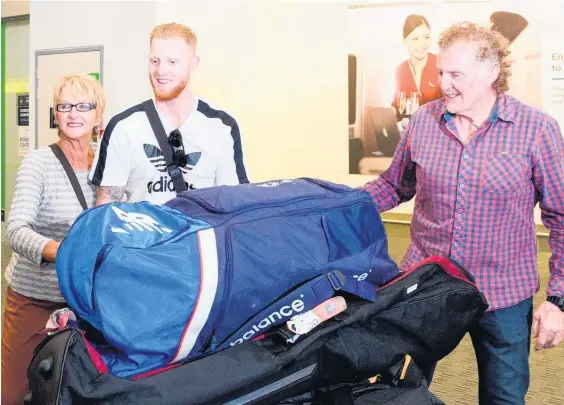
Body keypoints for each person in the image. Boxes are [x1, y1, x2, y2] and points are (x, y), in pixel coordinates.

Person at [361, 21, 564, 405]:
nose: (444, 83)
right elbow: (392, 186)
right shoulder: (424, 121)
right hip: (427, 286)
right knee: (399, 392)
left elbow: (562, 217)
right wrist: (335, 204)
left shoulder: (536, 130)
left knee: (504, 397)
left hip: (502, 293)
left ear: (491, 73)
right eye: (441, 72)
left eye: (456, 73)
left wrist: (558, 300)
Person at [1, 73, 105, 405]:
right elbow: (15, 231)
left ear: (98, 114)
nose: (74, 113)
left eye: (83, 105)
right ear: (56, 114)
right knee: (15, 392)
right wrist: (65, 252)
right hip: (35, 299)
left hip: (87, 301)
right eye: (65, 106)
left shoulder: (108, 166)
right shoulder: (38, 164)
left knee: (76, 388)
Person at [90, 22, 249, 206]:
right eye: (154, 61)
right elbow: (106, 206)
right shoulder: (123, 127)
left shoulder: (222, 127)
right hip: (144, 235)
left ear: (193, 64)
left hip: (201, 234)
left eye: (172, 62)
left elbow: (234, 204)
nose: (161, 71)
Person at [391, 14, 443, 114]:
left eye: (426, 37)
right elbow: (397, 106)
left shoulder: (441, 64)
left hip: (440, 127)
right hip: (412, 127)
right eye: (415, 39)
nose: (422, 44)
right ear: (404, 40)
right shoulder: (401, 70)